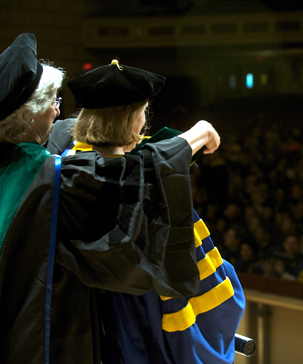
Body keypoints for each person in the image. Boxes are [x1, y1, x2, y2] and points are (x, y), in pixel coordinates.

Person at [0, 34, 218, 363]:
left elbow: (83, 144)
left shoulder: (11, 163)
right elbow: (122, 176)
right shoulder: (47, 176)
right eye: (52, 103)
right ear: (29, 116)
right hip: (41, 336)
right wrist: (195, 135)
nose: (58, 112)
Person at [65, 60, 244, 363]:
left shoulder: (70, 156)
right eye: (141, 112)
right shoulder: (111, 172)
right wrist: (200, 131)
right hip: (138, 298)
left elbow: (149, 153)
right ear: (127, 117)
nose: (143, 121)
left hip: (96, 299)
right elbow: (146, 165)